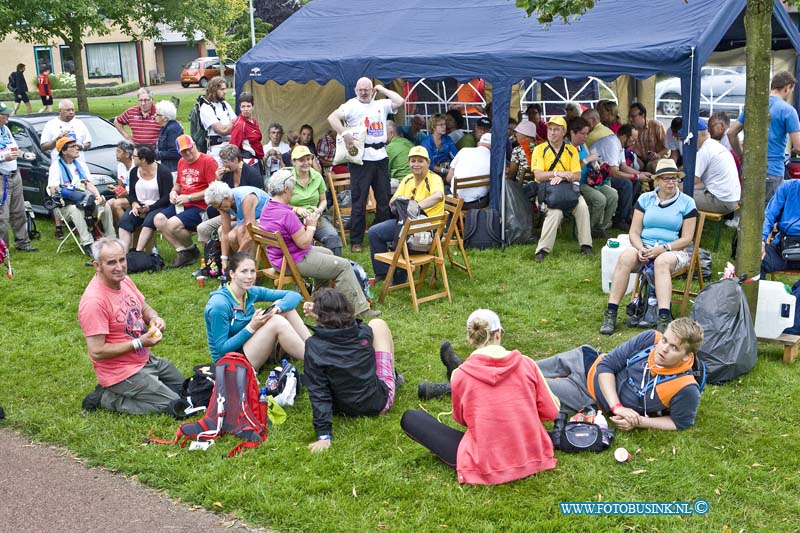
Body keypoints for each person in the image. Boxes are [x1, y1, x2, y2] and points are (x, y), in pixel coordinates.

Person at [401, 309, 560, 485]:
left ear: (471, 339)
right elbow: (551, 412)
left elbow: (461, 419)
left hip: (485, 463)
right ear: (498, 333)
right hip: (533, 455)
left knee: (412, 418)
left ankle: (449, 372)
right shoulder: (527, 364)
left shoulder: (460, 376)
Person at [78, 238, 184, 415]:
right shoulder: (94, 302)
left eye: (122, 260)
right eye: (111, 262)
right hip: (120, 371)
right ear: (97, 265)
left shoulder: (124, 280)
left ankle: (149, 382)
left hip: (144, 359)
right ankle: (106, 397)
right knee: (174, 405)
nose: (119, 267)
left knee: (185, 388)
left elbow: (143, 306)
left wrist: (154, 318)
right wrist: (139, 343)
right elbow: (97, 351)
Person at [538, 318, 704, 431]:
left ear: (687, 356)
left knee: (529, 383)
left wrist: (638, 421)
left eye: (674, 348)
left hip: (586, 392)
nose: (664, 349)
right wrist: (617, 407)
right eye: (665, 340)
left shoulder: (685, 387)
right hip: (585, 359)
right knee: (526, 365)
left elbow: (680, 423)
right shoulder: (650, 338)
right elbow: (606, 365)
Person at [259, 169, 379, 319]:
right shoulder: (287, 215)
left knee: (328, 254)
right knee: (343, 266)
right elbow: (304, 243)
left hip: (279, 258)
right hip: (293, 260)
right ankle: (358, 310)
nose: (293, 192)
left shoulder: (268, 207)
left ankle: (319, 302)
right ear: (285, 189)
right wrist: (311, 225)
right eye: (293, 188)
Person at [600, 159, 698, 335]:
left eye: (674, 178)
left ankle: (663, 316)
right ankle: (611, 312)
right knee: (625, 258)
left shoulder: (687, 202)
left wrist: (664, 248)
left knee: (661, 262)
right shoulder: (645, 199)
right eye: (666, 179)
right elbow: (634, 232)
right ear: (657, 181)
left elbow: (687, 239)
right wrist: (640, 249)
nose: (671, 182)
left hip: (673, 249)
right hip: (644, 247)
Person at [303, 288, 398, 453]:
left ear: (320, 315)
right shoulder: (363, 333)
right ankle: (393, 377)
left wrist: (323, 435)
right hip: (379, 402)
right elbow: (350, 323)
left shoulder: (314, 345)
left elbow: (318, 390)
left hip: (341, 408)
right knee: (378, 324)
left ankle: (394, 377)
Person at [327, 77, 404, 253]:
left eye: (367, 89)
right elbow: (332, 118)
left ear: (372, 90)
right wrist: (345, 133)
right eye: (360, 89)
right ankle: (356, 240)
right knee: (359, 201)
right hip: (360, 159)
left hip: (380, 156)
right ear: (355, 90)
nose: (363, 92)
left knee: (384, 199)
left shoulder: (382, 104)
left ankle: (383, 236)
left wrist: (382, 89)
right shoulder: (351, 105)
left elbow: (400, 101)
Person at [204, 252, 309, 369]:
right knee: (276, 322)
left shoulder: (250, 291)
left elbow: (294, 295)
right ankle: (315, 360)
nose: (249, 276)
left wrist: (277, 309)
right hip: (230, 363)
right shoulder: (219, 305)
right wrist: (251, 327)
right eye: (244, 271)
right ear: (232, 273)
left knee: (284, 308)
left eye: (252, 271)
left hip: (250, 346)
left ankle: (314, 348)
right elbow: (221, 350)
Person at [368, 146, 444, 284]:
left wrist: (416, 207)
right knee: (374, 232)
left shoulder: (434, 179)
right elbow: (392, 201)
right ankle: (383, 273)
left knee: (401, 236)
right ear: (408, 163)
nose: (416, 164)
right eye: (413, 161)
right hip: (405, 223)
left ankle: (399, 278)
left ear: (428, 162)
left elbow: (438, 196)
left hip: (426, 228)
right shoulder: (408, 179)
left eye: (420, 161)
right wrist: (397, 203)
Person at [728, 70, 800, 203]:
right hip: (772, 169)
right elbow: (798, 146)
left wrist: (741, 155)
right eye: (791, 90)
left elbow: (731, 132)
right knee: (768, 216)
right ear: (787, 87)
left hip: (749, 168)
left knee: (749, 213)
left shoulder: (754, 106)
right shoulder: (788, 111)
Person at [532, 116, 593, 262]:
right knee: (555, 213)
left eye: (556, 130)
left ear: (563, 132)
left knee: (582, 206)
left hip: (567, 189)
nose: (552, 133)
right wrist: (557, 173)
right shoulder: (540, 149)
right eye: (550, 129)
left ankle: (586, 245)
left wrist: (564, 177)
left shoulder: (571, 150)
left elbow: (577, 175)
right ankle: (542, 250)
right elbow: (539, 175)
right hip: (547, 191)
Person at [153, 135, 217, 268]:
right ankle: (185, 251)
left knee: (172, 224)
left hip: (201, 206)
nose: (188, 153)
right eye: (183, 151)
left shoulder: (208, 161)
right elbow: (178, 185)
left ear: (194, 145)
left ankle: (191, 249)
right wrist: (173, 192)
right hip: (182, 203)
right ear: (179, 152)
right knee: (158, 219)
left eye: (190, 149)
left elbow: (214, 189)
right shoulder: (181, 162)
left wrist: (190, 197)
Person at [47, 136, 114, 253]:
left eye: (77, 145)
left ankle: (111, 240)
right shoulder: (56, 166)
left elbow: (89, 184)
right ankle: (88, 243)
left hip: (85, 201)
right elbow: (53, 190)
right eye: (73, 147)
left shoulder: (81, 165)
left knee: (105, 206)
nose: (77, 148)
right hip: (65, 206)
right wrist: (69, 193)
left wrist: (98, 197)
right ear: (64, 151)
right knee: (75, 210)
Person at [583, 110, 648, 231]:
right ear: (624, 136)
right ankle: (620, 220)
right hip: (594, 177)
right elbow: (614, 172)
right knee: (626, 183)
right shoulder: (613, 143)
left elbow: (623, 166)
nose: (633, 142)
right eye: (632, 139)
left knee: (636, 182)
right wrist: (636, 176)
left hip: (603, 175)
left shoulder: (620, 144)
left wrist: (641, 174)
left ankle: (626, 214)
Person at [196, 144, 263, 250]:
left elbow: (255, 202)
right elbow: (219, 197)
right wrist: (218, 180)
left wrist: (235, 216)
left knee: (221, 230)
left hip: (249, 215)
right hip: (229, 212)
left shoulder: (252, 174)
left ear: (236, 159)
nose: (224, 165)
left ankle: (235, 259)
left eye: (226, 162)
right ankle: (210, 259)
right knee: (202, 228)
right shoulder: (227, 174)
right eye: (222, 162)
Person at [287, 145, 342, 256]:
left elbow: (323, 200)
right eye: (301, 160)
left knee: (333, 238)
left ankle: (336, 268)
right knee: (307, 243)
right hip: (293, 219)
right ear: (294, 162)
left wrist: (319, 210)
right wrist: (296, 209)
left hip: (315, 217)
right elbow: (279, 205)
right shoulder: (287, 178)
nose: (306, 162)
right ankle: (311, 268)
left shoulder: (317, 176)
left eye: (308, 159)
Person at [117, 145, 173, 252]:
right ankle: (123, 254)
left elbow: (166, 197)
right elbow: (132, 194)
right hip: (139, 206)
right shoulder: (134, 172)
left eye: (134, 156)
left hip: (158, 206)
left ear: (143, 159)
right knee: (125, 221)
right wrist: (134, 204)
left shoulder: (163, 172)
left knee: (148, 221)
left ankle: (138, 252)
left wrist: (150, 207)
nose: (132, 158)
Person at [570, 116, 618, 239]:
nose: (586, 136)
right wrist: (587, 160)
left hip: (590, 181)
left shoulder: (583, 144)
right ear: (572, 133)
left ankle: (600, 227)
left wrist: (596, 164)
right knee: (600, 200)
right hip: (577, 184)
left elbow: (591, 159)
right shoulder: (567, 148)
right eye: (582, 133)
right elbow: (570, 171)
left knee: (613, 195)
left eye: (587, 133)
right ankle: (584, 231)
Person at [0, 102, 37, 251]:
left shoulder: (5, 130)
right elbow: (6, 154)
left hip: (15, 175)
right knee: (2, 216)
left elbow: (14, 149)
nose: (8, 116)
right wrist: (4, 157)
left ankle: (23, 243)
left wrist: (24, 154)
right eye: (4, 114)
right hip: (1, 179)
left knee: (19, 211)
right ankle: (3, 249)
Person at [204, 181, 269, 260]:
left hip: (269, 217)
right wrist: (223, 259)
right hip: (253, 218)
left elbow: (249, 234)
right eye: (217, 208)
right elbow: (225, 232)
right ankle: (241, 265)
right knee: (231, 236)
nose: (219, 209)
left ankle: (248, 266)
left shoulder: (247, 198)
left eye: (220, 206)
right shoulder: (223, 203)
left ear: (226, 197)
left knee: (242, 231)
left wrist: (237, 257)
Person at [689, 119, 740, 214]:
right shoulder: (715, 146)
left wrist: (675, 186)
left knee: (680, 196)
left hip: (721, 201)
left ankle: (683, 227)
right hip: (732, 199)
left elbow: (691, 182)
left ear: (695, 134)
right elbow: (703, 183)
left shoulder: (704, 151)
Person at [761, 177, 800, 275]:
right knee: (752, 261)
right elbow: (768, 215)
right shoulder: (788, 186)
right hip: (782, 248)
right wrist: (761, 241)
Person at [446, 132, 490, 209]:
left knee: (444, 188)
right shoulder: (494, 160)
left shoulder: (463, 151)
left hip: (456, 202)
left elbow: (449, 178)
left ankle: (450, 218)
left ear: (479, 143)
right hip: (477, 204)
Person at [229, 91, 265, 175]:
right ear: (240, 107)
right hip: (248, 162)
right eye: (243, 106)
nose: (246, 109)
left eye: (248, 106)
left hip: (257, 160)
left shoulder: (253, 121)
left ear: (253, 106)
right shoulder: (240, 125)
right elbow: (233, 148)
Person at [200, 76, 235, 159]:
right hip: (216, 151)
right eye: (222, 89)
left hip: (231, 148)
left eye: (225, 89)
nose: (225, 92)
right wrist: (232, 124)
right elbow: (222, 131)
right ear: (214, 90)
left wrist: (230, 125)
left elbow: (238, 123)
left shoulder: (225, 104)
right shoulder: (206, 108)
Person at [628, 102, 668, 174]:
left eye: (633, 116)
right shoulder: (630, 129)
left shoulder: (656, 126)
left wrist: (658, 155)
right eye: (629, 116)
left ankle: (655, 184)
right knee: (628, 166)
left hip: (657, 159)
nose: (630, 119)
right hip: (640, 160)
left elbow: (667, 147)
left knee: (652, 165)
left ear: (642, 115)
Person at [106, 140, 135, 226]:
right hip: (126, 196)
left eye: (119, 151)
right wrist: (116, 190)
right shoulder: (120, 166)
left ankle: (127, 228)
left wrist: (124, 193)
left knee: (116, 204)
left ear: (127, 154)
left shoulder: (136, 166)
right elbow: (121, 186)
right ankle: (116, 231)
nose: (116, 154)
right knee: (108, 204)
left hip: (136, 197)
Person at [421, 114, 458, 179]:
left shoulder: (447, 139)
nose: (444, 127)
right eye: (441, 125)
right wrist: (447, 171)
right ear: (433, 127)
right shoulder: (426, 143)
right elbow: (429, 165)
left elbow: (456, 156)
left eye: (444, 124)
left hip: (448, 170)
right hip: (431, 174)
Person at [154, 100, 183, 173]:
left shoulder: (172, 129)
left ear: (165, 118)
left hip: (173, 169)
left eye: (157, 114)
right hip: (167, 167)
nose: (155, 116)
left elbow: (175, 152)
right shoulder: (165, 128)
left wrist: (156, 154)